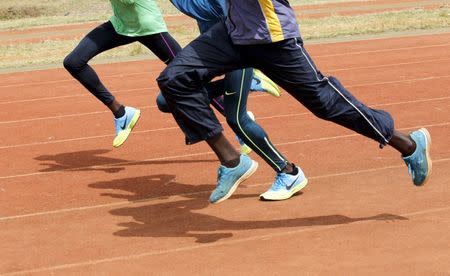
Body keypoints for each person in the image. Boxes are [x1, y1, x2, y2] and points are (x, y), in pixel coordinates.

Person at [157, 0, 432, 203]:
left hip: (273, 39)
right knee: (174, 79)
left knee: (325, 103)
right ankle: (232, 161)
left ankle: (407, 143)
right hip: (232, 35)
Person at [157, 0, 309, 203]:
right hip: (216, 54)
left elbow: (209, 9)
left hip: (241, 50)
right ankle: (253, 81)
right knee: (166, 100)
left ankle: (288, 173)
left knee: (237, 118)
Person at [63, 0, 182, 148]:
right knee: (73, 62)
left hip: (148, 25)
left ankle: (219, 111)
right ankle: (121, 113)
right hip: (121, 25)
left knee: (192, 75)